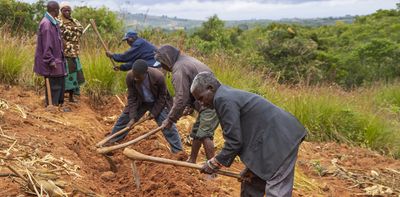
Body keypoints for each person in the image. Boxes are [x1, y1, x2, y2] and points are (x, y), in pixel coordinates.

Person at [190, 72, 307, 197]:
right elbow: (246, 134)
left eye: (201, 98)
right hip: (268, 139)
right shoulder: (225, 96)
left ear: (210, 88)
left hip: (281, 138)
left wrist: (215, 162)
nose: (201, 103)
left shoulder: (222, 99)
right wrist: (251, 168)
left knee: (277, 190)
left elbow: (234, 141)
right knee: (251, 182)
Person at [155, 45, 219, 163]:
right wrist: (189, 105)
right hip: (206, 102)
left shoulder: (179, 69)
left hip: (211, 102)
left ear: (167, 60)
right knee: (196, 132)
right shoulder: (185, 61)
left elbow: (181, 98)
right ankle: (192, 161)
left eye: (161, 63)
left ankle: (213, 170)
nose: (162, 66)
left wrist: (170, 119)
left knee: (205, 134)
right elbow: (190, 88)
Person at [107, 59, 183, 153]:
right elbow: (132, 97)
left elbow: (162, 97)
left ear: (146, 73)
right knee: (123, 120)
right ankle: (110, 143)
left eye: (138, 77)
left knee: (167, 124)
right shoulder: (130, 77)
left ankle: (178, 152)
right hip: (140, 101)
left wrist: (154, 113)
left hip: (157, 102)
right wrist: (132, 117)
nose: (135, 79)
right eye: (134, 76)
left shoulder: (158, 77)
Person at [34, 1, 66, 107]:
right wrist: (50, 60)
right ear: (55, 10)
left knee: (60, 82)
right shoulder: (47, 24)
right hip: (52, 61)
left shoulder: (53, 22)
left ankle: (58, 105)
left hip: (57, 59)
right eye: (58, 10)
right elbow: (46, 45)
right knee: (54, 85)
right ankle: (53, 106)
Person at [59, 2, 85, 102]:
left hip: (75, 52)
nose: (67, 12)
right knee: (67, 75)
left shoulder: (74, 20)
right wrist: (73, 32)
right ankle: (61, 97)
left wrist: (72, 32)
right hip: (65, 53)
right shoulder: (59, 21)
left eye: (69, 10)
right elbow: (63, 33)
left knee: (75, 74)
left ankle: (71, 97)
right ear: (61, 11)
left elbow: (80, 30)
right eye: (65, 10)